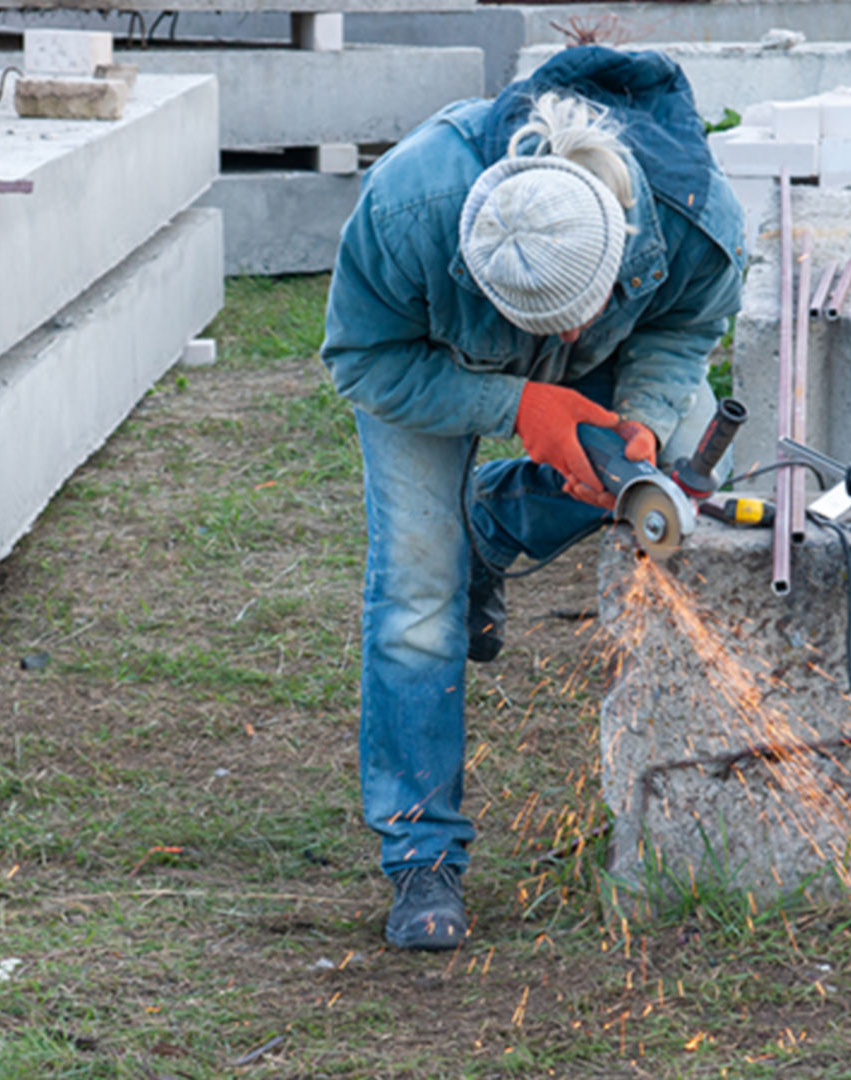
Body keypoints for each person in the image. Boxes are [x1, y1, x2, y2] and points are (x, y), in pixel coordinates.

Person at [319, 46, 745, 950]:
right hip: (427, 367)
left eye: (581, 313)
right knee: (417, 591)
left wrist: (638, 418)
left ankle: (494, 521)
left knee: (661, 481)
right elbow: (362, 361)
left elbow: (686, 327)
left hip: (602, 366)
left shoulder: (695, 219)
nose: (570, 336)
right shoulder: (407, 210)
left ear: (622, 237)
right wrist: (517, 404)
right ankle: (420, 854)